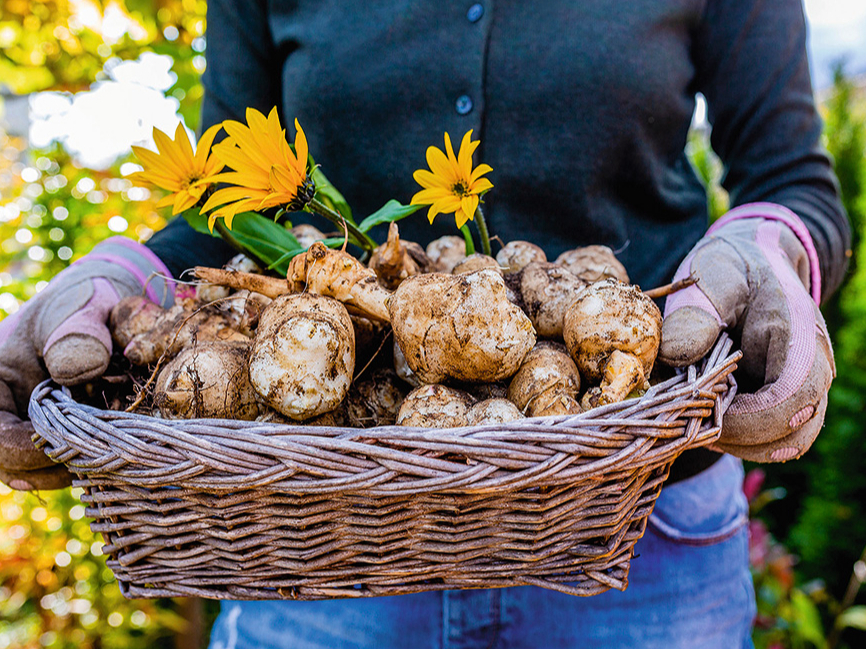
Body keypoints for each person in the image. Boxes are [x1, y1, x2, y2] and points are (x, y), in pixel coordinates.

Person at [0, 0, 851, 647]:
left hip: (636, 524)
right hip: (315, 541)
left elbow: (791, 178)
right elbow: (223, 210)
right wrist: (125, 276)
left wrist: (767, 250)